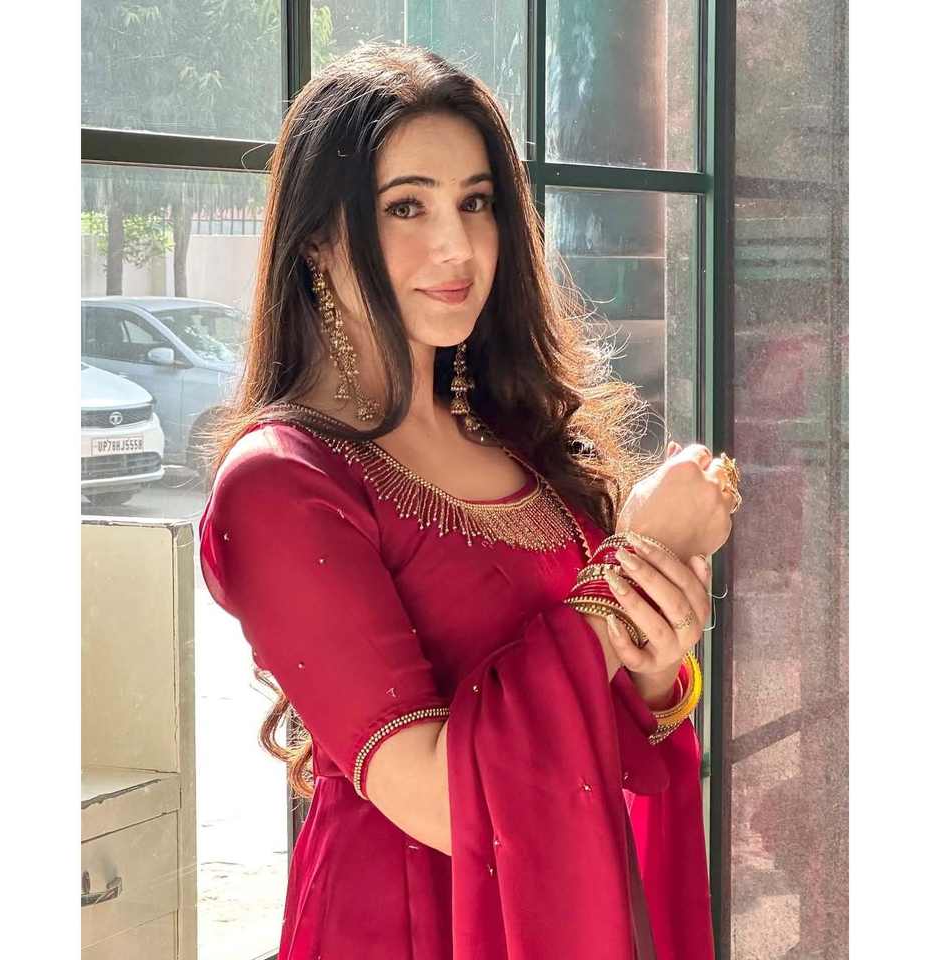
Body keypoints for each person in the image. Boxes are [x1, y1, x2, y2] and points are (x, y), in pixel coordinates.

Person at [198, 41, 740, 960]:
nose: (456, 247)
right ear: (319, 238)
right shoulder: (283, 480)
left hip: (570, 909)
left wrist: (655, 663)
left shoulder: (517, 437)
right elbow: (433, 796)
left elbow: (593, 730)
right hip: (404, 925)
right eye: (406, 206)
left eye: (476, 202)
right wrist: (626, 569)